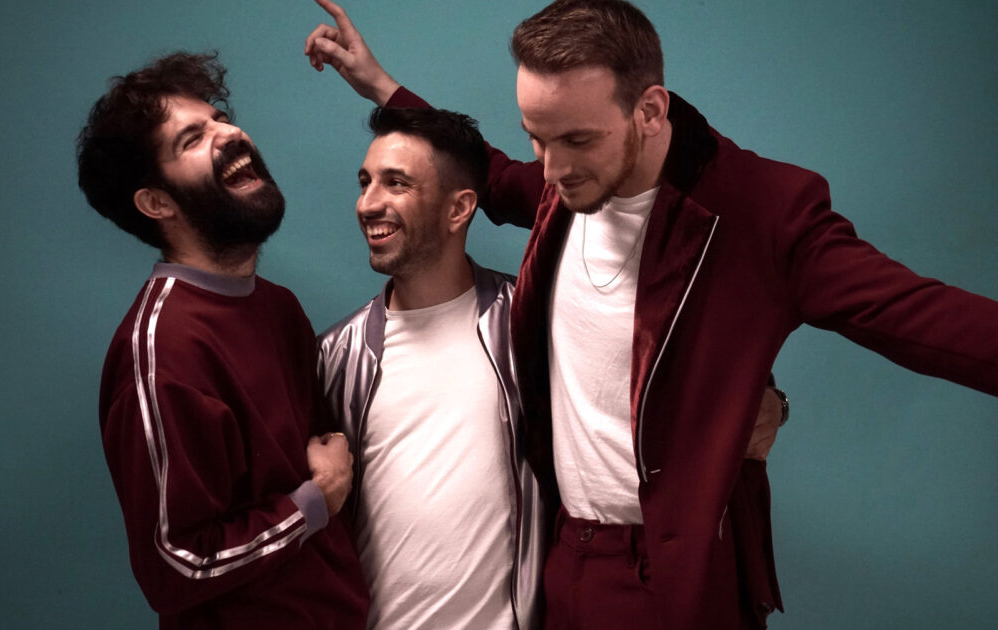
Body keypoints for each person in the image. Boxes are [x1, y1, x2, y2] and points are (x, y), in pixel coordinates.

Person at [303, 1, 998, 629]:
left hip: (669, 573)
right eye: (537, 138)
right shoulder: (561, 185)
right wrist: (381, 86)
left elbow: (916, 315)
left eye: (576, 140)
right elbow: (482, 170)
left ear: (651, 110)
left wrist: (762, 405)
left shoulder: (761, 211)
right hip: (563, 562)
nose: (551, 169)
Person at [76, 51, 368, 629]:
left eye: (220, 118)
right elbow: (176, 566)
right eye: (192, 139)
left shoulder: (278, 308)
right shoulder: (162, 350)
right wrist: (319, 498)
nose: (230, 134)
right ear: (156, 202)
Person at [317, 106, 547, 630]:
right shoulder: (335, 357)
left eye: (396, 183)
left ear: (459, 208)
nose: (368, 203)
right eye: (365, 182)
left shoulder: (531, 325)